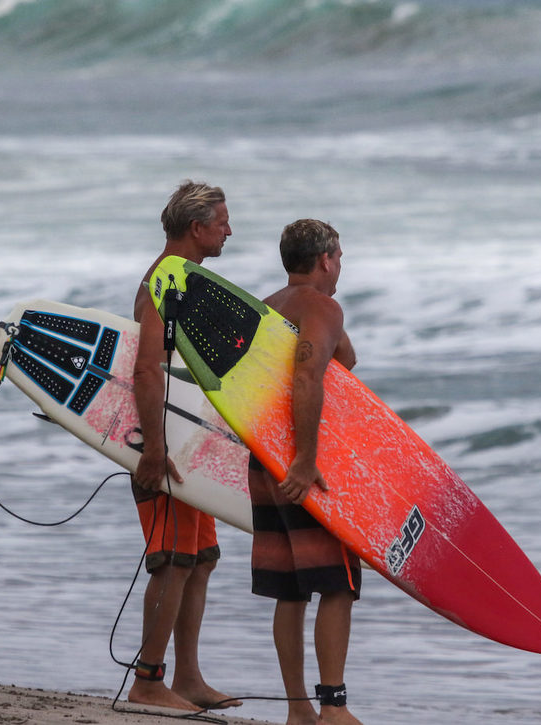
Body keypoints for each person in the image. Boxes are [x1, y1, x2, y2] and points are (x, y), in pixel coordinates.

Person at [128, 180, 239, 712]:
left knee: (199, 559)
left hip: (188, 445)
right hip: (162, 445)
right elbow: (147, 369)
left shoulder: (188, 280)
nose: (228, 230)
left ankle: (188, 678)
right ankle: (148, 681)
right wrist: (152, 450)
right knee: (171, 559)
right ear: (197, 228)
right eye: (222, 222)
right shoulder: (164, 282)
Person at [248, 219, 364, 725]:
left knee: (290, 586)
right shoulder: (322, 306)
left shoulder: (270, 305)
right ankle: (333, 709)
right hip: (300, 465)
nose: (341, 267)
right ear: (326, 260)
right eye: (340, 257)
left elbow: (344, 357)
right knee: (337, 583)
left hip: (263, 458)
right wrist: (305, 459)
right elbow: (308, 375)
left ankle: (298, 711)